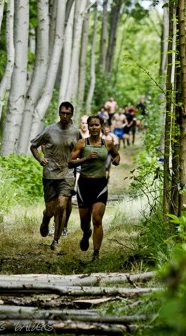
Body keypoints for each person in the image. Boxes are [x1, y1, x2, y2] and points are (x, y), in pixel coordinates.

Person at [68, 115, 120, 261]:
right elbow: (70, 162)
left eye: (97, 125)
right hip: (84, 185)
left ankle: (96, 253)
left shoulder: (108, 144)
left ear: (101, 126)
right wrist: (85, 159)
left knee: (97, 219)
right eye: (91, 125)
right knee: (85, 222)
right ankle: (86, 233)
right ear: (88, 127)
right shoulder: (81, 143)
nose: (94, 127)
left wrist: (116, 160)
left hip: (100, 185)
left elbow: (117, 155)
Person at [30, 101, 79, 252]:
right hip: (50, 174)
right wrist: (40, 159)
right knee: (51, 210)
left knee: (62, 206)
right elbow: (33, 146)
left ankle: (56, 240)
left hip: (67, 173)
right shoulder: (49, 130)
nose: (65, 116)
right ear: (59, 113)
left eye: (68, 113)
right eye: (62, 113)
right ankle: (46, 219)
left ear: (72, 115)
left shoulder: (75, 132)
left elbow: (81, 149)